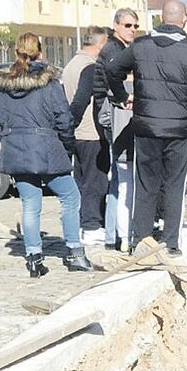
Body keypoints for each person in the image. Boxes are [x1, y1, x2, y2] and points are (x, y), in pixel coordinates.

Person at [106, 0, 187, 256]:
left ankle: (141, 241)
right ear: (184, 20)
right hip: (179, 131)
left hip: (147, 128)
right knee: (174, 185)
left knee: (145, 185)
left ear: (160, 19)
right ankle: (170, 244)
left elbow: (112, 69)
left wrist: (120, 95)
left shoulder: (140, 47)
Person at [0, 32, 92, 277]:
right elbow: (64, 119)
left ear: (16, 52)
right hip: (48, 148)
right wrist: (66, 145)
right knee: (70, 197)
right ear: (40, 52)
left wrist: (10, 140)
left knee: (30, 203)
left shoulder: (4, 85)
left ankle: (34, 258)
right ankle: (74, 252)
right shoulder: (48, 83)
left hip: (17, 150)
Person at [94, 8, 139, 250]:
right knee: (122, 180)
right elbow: (116, 85)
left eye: (135, 26)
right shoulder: (114, 50)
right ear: (116, 26)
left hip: (114, 114)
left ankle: (113, 235)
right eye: (127, 25)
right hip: (113, 115)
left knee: (118, 181)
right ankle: (117, 236)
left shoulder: (120, 48)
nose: (132, 30)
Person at [62, 26, 110, 246]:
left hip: (77, 135)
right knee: (95, 181)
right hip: (90, 132)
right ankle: (92, 226)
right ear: (100, 45)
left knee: (81, 181)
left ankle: (82, 223)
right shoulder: (90, 68)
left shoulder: (71, 65)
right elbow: (80, 101)